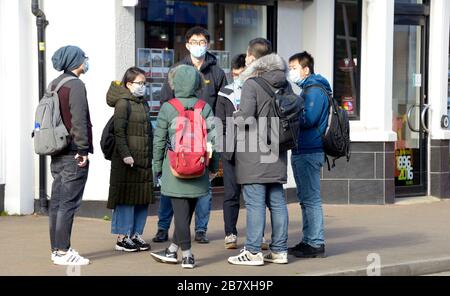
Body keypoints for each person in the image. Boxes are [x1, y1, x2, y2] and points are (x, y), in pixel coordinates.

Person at [152, 26, 227, 244]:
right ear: (187, 45)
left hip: (203, 136)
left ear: (208, 44)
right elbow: (166, 100)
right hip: (177, 136)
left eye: (202, 41)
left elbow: (221, 105)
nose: (198, 45)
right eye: (194, 42)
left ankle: (200, 230)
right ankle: (162, 228)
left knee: (203, 187)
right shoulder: (176, 69)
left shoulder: (217, 72)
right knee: (171, 184)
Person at [227, 39, 289, 266]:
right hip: (277, 148)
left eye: (246, 55)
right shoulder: (284, 83)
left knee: (254, 203)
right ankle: (280, 250)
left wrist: (235, 115)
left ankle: (253, 251)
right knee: (277, 201)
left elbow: (245, 118)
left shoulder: (252, 83)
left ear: (252, 58)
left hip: (255, 151)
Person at [150, 65, 218, 269]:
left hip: (174, 167)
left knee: (180, 213)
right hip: (199, 167)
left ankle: (187, 255)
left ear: (174, 83)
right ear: (197, 84)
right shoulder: (204, 107)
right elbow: (213, 141)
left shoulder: (168, 107)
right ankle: (172, 250)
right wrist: (213, 166)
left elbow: (159, 141)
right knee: (185, 214)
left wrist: (156, 168)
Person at [48, 45, 92, 266]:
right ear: (76, 61)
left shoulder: (54, 84)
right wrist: (83, 150)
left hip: (56, 151)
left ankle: (57, 249)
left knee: (56, 203)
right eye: (83, 57)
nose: (86, 60)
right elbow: (79, 120)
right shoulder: (75, 85)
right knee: (68, 204)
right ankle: (64, 252)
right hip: (73, 153)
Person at [106, 67, 154, 252]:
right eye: (139, 83)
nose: (142, 87)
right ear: (128, 84)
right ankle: (122, 237)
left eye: (144, 83)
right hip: (127, 160)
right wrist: (126, 154)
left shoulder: (143, 103)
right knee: (126, 198)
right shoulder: (122, 103)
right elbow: (119, 131)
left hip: (143, 159)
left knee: (141, 198)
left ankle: (135, 234)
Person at [287, 51, 330, 258]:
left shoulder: (313, 91)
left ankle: (315, 242)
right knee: (305, 198)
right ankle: (308, 240)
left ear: (306, 69)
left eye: (294, 68)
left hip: (309, 150)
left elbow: (309, 119)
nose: (291, 72)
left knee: (311, 199)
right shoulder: (309, 89)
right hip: (304, 150)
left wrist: (289, 116)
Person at [216, 54, 245, 249]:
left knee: (254, 196)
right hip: (230, 151)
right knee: (231, 194)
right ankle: (230, 233)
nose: (237, 78)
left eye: (240, 74)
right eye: (234, 74)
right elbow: (219, 122)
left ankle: (257, 235)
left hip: (253, 151)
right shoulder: (225, 92)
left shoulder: (257, 91)